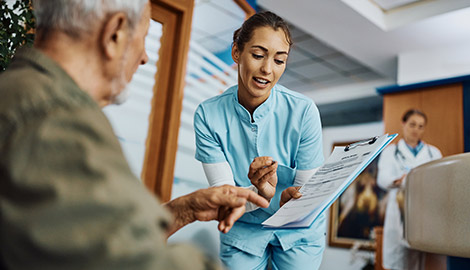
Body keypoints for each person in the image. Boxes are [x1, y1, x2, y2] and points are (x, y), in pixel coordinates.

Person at [0, 1, 273, 269]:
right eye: (142, 37)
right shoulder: (56, 118)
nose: (143, 57)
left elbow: (75, 236)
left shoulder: (18, 94)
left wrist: (184, 210)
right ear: (115, 33)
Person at [194, 11, 326, 270]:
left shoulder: (303, 111)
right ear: (236, 52)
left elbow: (304, 196)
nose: (268, 69)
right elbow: (225, 201)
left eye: (279, 60)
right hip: (243, 230)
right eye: (258, 55)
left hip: (296, 231)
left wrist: (284, 201)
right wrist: (263, 193)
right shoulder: (208, 115)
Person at [377, 109, 442, 270]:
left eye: (421, 126)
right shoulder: (390, 151)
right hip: (398, 206)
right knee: (398, 257)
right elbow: (382, 179)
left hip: (424, 209)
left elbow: (440, 180)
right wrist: (397, 180)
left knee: (418, 256)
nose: (416, 130)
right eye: (412, 124)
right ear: (403, 124)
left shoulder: (433, 153)